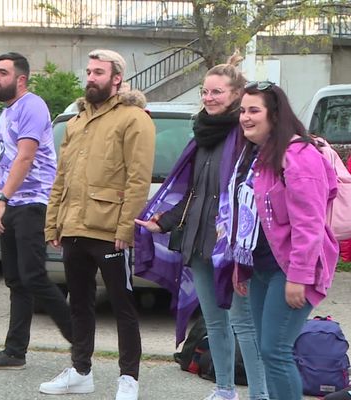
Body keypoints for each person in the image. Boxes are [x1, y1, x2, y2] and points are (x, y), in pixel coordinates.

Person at [135, 54, 268, 400]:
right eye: (205, 92)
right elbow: (194, 194)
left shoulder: (247, 136)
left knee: (244, 324)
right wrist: (161, 220)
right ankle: (225, 390)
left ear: (237, 94)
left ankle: (260, 395)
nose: (209, 98)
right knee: (214, 321)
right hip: (198, 241)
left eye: (217, 92)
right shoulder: (201, 136)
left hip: (232, 245)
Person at [42, 49, 155, 400]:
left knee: (123, 306)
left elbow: (139, 179)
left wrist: (125, 229)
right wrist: (53, 223)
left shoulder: (134, 118)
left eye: (98, 72)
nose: (91, 78)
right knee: (79, 303)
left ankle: (128, 379)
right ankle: (80, 371)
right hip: (74, 228)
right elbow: (61, 177)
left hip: (109, 232)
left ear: (116, 78)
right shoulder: (76, 122)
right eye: (89, 72)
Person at [231, 81, 338, 399]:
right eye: (242, 111)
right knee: (270, 352)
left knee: (276, 351)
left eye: (254, 110)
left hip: (290, 269)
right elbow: (248, 215)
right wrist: (242, 265)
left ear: (274, 116)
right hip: (262, 266)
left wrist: (299, 276)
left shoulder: (299, 155)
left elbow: (310, 224)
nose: (245, 117)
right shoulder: (259, 154)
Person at [0, 52, 72, 370]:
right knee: (16, 281)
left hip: (33, 203)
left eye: (2, 72)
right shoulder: (6, 114)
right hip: (12, 203)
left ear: (21, 79)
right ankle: (15, 351)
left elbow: (26, 159)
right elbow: (7, 166)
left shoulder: (32, 106)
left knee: (34, 276)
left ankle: (81, 337)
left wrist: (1, 201)